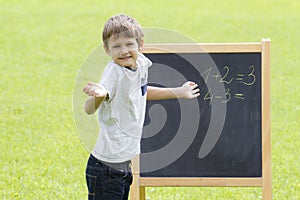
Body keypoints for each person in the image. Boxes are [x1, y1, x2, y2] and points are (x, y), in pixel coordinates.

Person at [82, 14, 200, 200]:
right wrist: (99, 95)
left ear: (140, 44)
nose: (124, 51)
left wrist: (179, 92)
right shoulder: (113, 72)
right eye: (116, 46)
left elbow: (141, 93)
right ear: (106, 50)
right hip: (105, 168)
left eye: (129, 44)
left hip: (123, 165)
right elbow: (89, 108)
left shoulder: (141, 64)